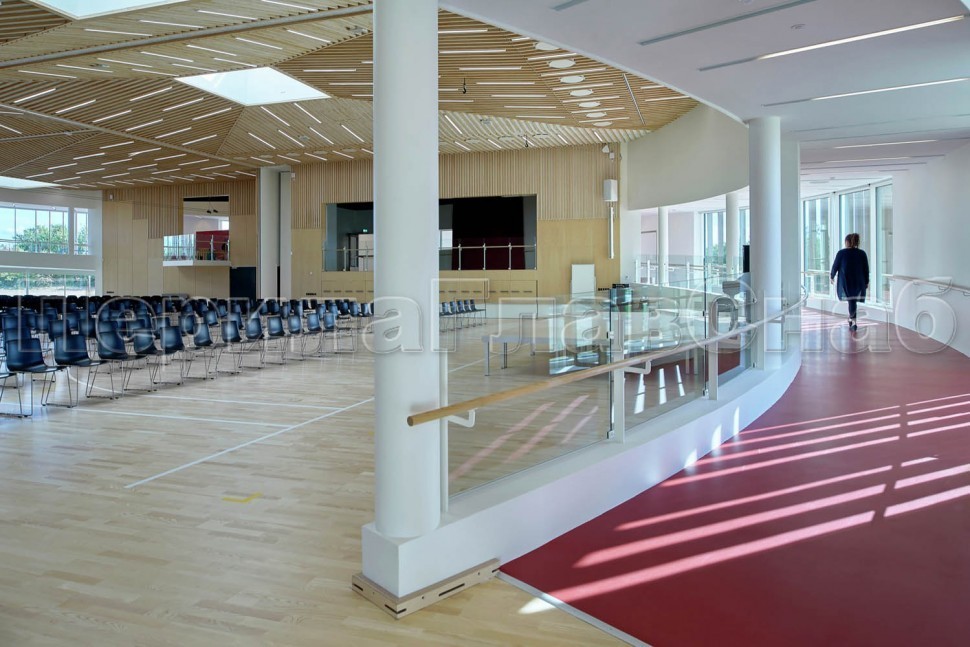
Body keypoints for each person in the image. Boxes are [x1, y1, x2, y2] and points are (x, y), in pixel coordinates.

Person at [830, 233, 869, 331]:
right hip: (858, 281)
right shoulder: (862, 253)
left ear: (847, 242)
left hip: (846, 281)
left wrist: (832, 276)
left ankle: (853, 322)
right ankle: (852, 320)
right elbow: (866, 269)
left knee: (851, 301)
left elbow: (835, 266)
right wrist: (867, 281)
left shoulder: (841, 253)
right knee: (853, 301)